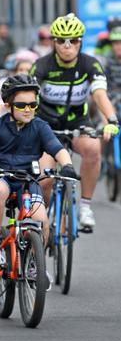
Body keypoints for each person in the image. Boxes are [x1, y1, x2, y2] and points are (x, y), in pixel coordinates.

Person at [0, 75, 77, 270]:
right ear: (7, 105)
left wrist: (68, 165)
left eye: (33, 104)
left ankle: (35, 266)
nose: (28, 109)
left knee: (42, 221)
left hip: (27, 181)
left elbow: (58, 149)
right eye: (21, 105)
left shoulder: (40, 126)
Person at [31, 13, 120, 232]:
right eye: (61, 40)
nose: (67, 46)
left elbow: (100, 95)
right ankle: (47, 220)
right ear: (54, 42)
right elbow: (29, 97)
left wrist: (111, 120)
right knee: (45, 179)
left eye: (74, 40)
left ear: (81, 41)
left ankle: (85, 207)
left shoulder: (90, 64)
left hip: (77, 123)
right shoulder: (42, 65)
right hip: (47, 126)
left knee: (93, 148)